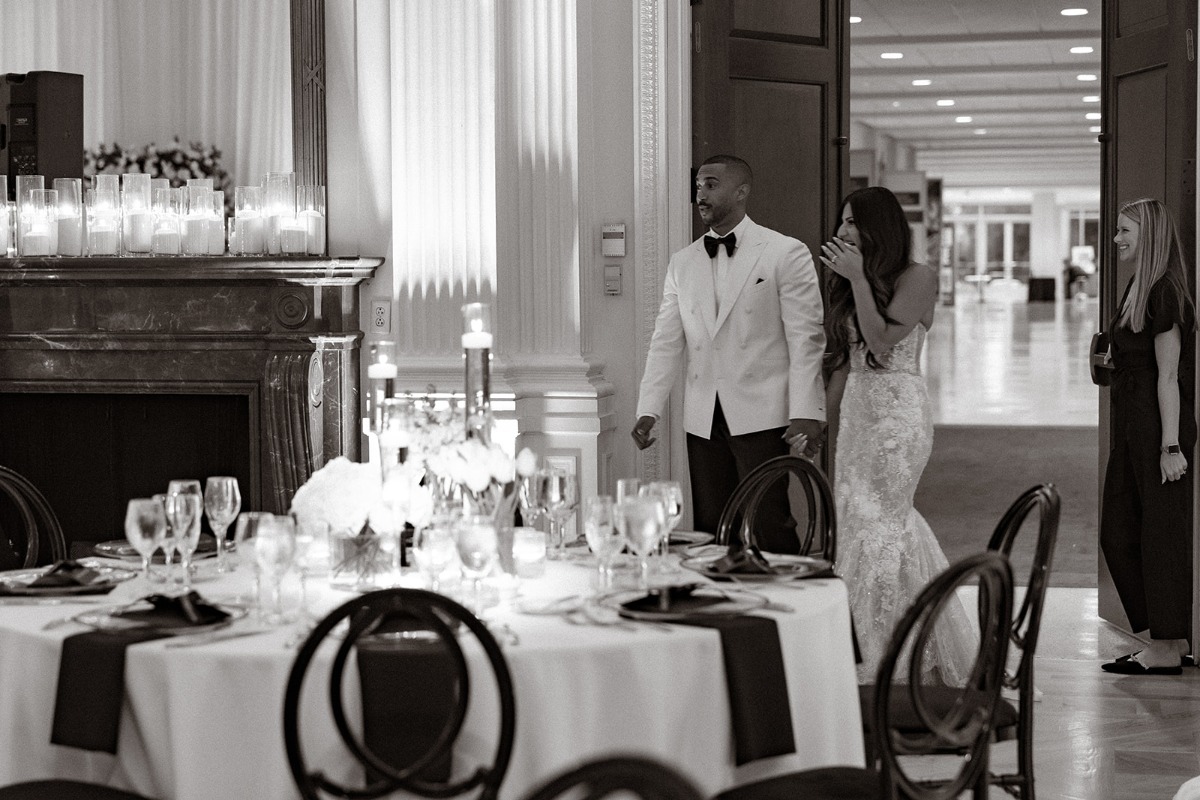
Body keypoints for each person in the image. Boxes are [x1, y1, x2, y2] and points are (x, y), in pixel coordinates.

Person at [819, 186, 977, 685]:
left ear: (877, 228)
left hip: (897, 421)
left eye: (851, 223)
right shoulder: (853, 281)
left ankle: (881, 653)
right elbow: (845, 361)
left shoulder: (919, 277)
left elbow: (884, 345)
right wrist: (822, 425)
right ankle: (881, 640)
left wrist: (859, 280)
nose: (842, 232)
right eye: (842, 222)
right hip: (858, 416)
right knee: (856, 523)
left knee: (882, 522)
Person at [631, 155, 826, 553]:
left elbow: (805, 338)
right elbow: (666, 340)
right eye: (699, 184)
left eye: (712, 184)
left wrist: (807, 409)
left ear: (741, 192)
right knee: (712, 526)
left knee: (769, 519)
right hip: (703, 415)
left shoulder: (785, 252)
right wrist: (649, 407)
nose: (700, 193)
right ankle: (722, 608)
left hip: (764, 411)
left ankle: (789, 606)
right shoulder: (682, 263)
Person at [1100, 197, 1195, 676]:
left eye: (1123, 232)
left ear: (1148, 236)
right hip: (1134, 423)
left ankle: (1165, 646)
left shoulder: (1164, 292)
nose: (1115, 240)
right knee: (1121, 532)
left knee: (1159, 537)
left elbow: (1169, 375)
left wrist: (1171, 446)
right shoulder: (1140, 286)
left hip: (1158, 428)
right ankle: (1168, 640)